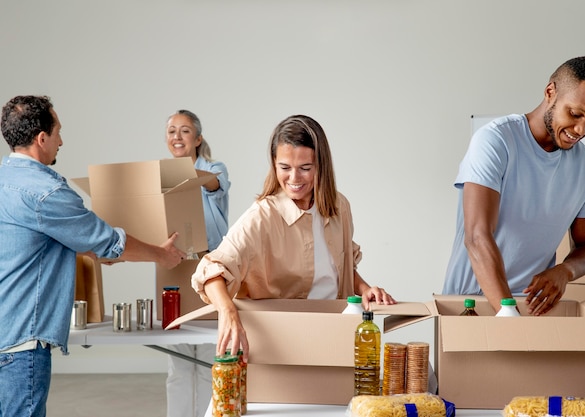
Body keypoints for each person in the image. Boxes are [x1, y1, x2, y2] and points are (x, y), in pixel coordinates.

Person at [0, 95, 187, 417]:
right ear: (41, 138)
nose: (62, 140)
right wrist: (162, 255)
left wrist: (103, 251)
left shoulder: (5, 182)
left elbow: (73, 242)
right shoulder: (46, 193)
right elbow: (107, 242)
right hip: (21, 342)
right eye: (57, 131)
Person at [190, 114, 396, 360]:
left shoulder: (340, 207)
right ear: (274, 164)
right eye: (285, 168)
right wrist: (227, 312)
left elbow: (339, 267)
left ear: (322, 166)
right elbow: (211, 270)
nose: (294, 179)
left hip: (335, 335)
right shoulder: (262, 216)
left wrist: (364, 288)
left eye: (305, 169)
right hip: (282, 345)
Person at [442, 56, 585, 316]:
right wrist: (508, 313)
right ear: (549, 92)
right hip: (470, 306)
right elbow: (477, 237)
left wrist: (564, 272)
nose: (582, 129)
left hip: (532, 310)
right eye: (575, 114)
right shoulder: (496, 141)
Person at [164, 109, 230, 417]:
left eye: (185, 131)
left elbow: (214, 184)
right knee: (177, 364)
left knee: (206, 359)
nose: (177, 136)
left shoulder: (213, 169)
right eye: (172, 131)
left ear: (198, 138)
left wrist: (180, 173)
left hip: (209, 267)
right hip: (175, 263)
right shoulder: (162, 175)